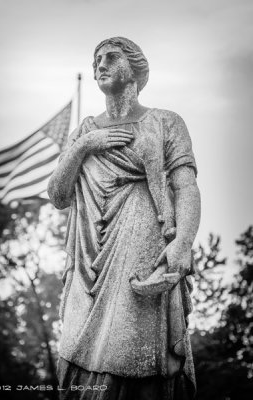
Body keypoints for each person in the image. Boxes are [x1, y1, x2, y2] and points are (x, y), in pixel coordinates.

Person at [48, 37, 201, 400]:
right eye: (96, 58)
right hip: (87, 262)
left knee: (137, 358)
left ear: (134, 68)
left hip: (143, 252)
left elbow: (186, 187)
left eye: (111, 57)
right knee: (81, 369)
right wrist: (86, 146)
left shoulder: (166, 122)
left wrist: (183, 242)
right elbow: (58, 195)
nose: (100, 64)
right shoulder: (84, 131)